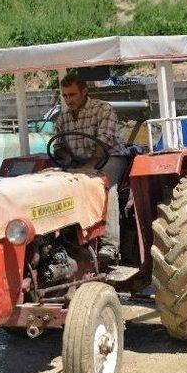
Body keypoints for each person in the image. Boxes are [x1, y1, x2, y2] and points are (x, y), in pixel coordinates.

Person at [54, 73, 127, 260]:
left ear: (84, 92)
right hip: (78, 162)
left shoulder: (102, 109)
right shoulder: (62, 119)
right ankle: (63, 240)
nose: (68, 99)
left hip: (109, 157)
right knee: (55, 183)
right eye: (65, 96)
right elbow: (59, 146)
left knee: (104, 185)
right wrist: (66, 159)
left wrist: (88, 168)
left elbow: (104, 142)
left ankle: (110, 245)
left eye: (72, 95)